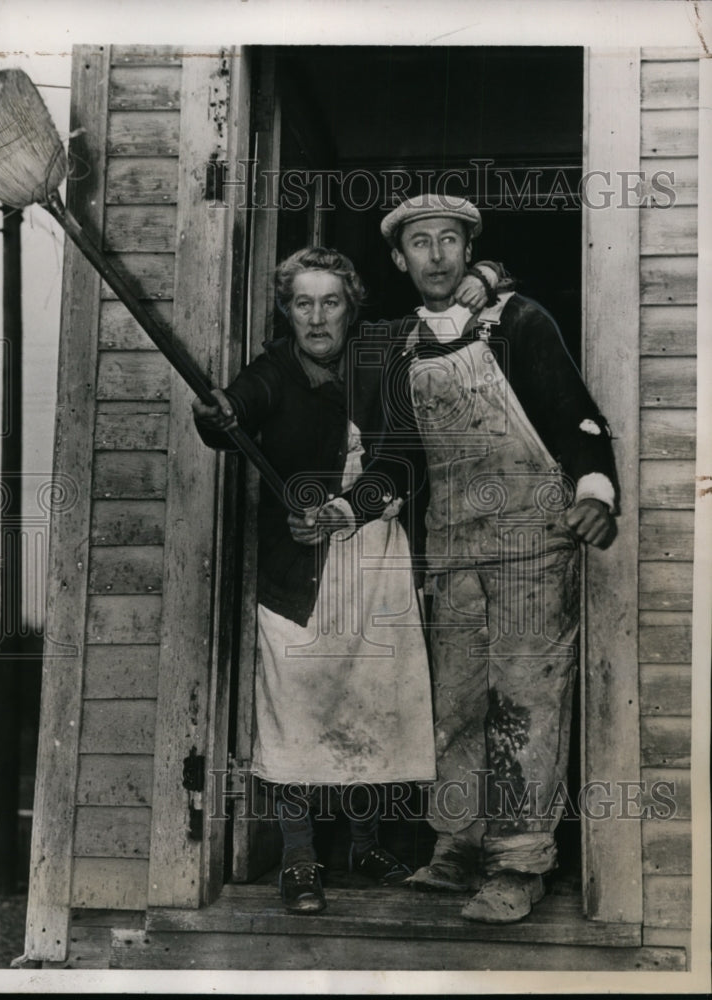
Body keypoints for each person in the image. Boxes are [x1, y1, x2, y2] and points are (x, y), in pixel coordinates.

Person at [313, 194, 618, 924]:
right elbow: (397, 460)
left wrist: (597, 492)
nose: (439, 255)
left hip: (533, 545)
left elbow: (578, 417)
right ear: (400, 259)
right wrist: (348, 508)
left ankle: (519, 865)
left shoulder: (519, 321)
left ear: (469, 249)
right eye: (422, 243)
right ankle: (457, 847)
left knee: (524, 703)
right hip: (452, 550)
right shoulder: (400, 347)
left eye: (451, 240)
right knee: (455, 704)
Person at [193, 246, 502, 914]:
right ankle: (300, 860)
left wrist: (346, 508)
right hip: (298, 571)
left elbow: (401, 457)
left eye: (330, 301)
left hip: (372, 553)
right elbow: (232, 414)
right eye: (302, 302)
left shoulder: (381, 356)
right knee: (299, 705)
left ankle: (364, 841)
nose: (316, 317)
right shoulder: (273, 369)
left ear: (351, 306)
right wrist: (213, 415)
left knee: (373, 700)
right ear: (287, 311)